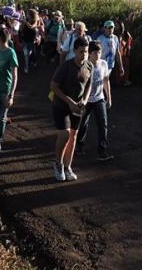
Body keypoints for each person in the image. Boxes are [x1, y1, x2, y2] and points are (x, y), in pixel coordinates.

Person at [50, 38, 92, 182]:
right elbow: (53, 86)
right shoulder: (66, 66)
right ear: (74, 51)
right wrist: (69, 101)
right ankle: (58, 164)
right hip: (61, 105)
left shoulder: (89, 66)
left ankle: (68, 167)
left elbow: (89, 85)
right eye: (81, 52)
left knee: (73, 136)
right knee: (65, 135)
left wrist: (84, 100)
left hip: (78, 107)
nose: (84, 55)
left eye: (86, 52)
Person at [77, 41, 114, 161]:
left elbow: (106, 81)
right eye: (95, 52)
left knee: (103, 124)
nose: (97, 55)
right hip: (86, 100)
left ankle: (102, 151)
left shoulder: (103, 64)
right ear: (90, 53)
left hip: (99, 99)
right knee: (83, 124)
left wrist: (109, 97)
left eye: (99, 52)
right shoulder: (85, 66)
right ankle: (79, 146)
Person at [96, 20, 123, 84]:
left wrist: (121, 66)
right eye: (108, 28)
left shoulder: (115, 38)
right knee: (102, 81)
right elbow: (95, 52)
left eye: (112, 27)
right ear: (104, 28)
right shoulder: (99, 39)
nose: (110, 29)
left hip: (110, 65)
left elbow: (117, 52)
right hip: (100, 65)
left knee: (105, 81)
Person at [19, 9, 40, 74]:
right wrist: (22, 23)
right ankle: (26, 68)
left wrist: (25, 22)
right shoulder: (25, 20)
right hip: (25, 40)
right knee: (26, 54)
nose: (26, 14)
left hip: (32, 40)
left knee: (32, 53)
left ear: (31, 15)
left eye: (27, 13)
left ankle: (34, 61)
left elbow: (31, 27)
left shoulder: (35, 21)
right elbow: (20, 29)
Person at [115, 21, 133, 86]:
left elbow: (129, 42)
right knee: (117, 68)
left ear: (120, 26)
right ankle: (118, 82)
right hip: (117, 53)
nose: (115, 27)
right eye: (115, 25)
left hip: (124, 53)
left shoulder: (125, 33)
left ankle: (125, 81)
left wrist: (128, 50)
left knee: (126, 67)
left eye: (117, 25)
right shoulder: (114, 34)